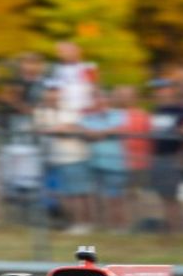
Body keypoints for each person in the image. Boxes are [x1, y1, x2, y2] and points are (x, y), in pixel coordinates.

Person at [34, 83, 91, 232]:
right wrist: (61, 128)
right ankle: (72, 224)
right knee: (64, 195)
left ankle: (82, 224)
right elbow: (41, 130)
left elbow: (76, 127)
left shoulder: (70, 108)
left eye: (55, 91)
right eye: (49, 92)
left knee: (78, 194)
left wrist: (58, 129)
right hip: (56, 159)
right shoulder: (41, 111)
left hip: (75, 157)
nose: (52, 95)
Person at [149, 78, 183, 234]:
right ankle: (170, 226)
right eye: (157, 90)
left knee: (172, 196)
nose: (160, 93)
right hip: (157, 157)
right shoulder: (156, 111)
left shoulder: (180, 111)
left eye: (163, 89)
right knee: (163, 195)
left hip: (172, 157)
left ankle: (177, 228)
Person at [80, 90, 127, 230]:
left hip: (115, 164)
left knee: (115, 198)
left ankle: (119, 227)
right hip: (94, 163)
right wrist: (106, 132)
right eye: (95, 98)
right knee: (95, 198)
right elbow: (85, 133)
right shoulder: (87, 118)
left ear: (108, 99)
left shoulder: (119, 114)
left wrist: (100, 133)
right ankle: (100, 226)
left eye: (101, 97)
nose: (99, 101)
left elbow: (121, 129)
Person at [51, 41, 97, 113]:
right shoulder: (54, 69)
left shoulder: (88, 67)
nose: (67, 53)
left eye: (70, 50)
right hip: (62, 107)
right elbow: (53, 89)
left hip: (85, 107)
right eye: (61, 51)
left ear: (79, 51)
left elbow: (93, 87)